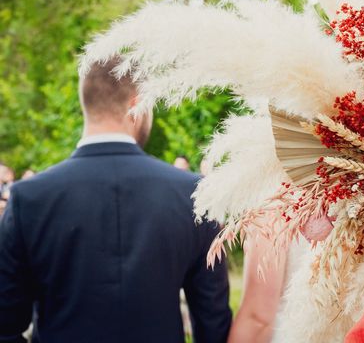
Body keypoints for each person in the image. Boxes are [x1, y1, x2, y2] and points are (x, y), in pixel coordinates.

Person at [0, 58, 232, 343]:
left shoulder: (28, 198)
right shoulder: (194, 193)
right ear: (136, 106)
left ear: (86, 102)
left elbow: (6, 325)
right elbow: (213, 322)